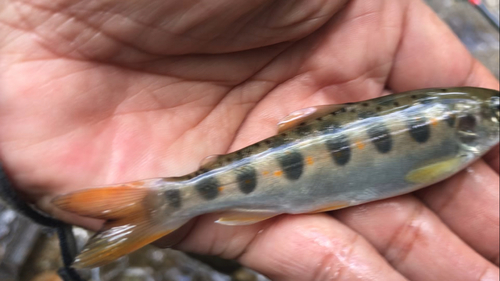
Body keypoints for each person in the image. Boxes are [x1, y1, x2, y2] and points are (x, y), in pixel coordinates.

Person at [0, 0, 498, 280]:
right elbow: (421, 172)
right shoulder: (455, 137)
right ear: (471, 126)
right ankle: (165, 202)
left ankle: (168, 201)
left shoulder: (455, 125)